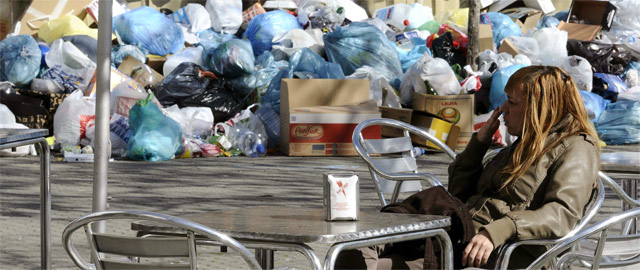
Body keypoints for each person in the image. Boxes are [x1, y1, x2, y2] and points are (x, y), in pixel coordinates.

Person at [336, 65, 601, 269]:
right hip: (460, 229)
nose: (503, 109)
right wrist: (479, 144)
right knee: (353, 251)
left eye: (513, 102)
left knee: (368, 264)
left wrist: (498, 230)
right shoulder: (522, 144)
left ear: (539, 107)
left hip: (501, 250)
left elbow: (562, 213)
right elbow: (459, 192)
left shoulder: (576, 148)